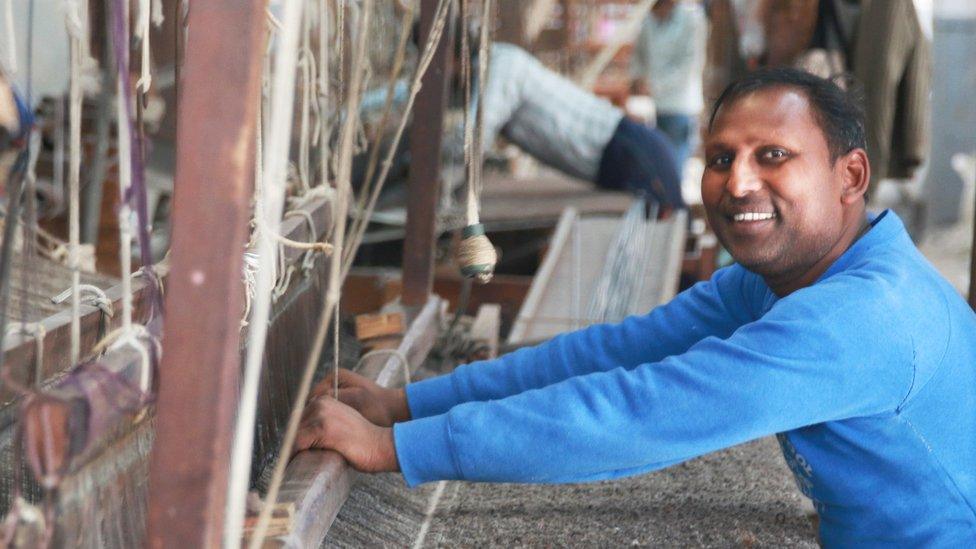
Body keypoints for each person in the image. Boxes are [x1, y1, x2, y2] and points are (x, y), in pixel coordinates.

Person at [295, 68, 976, 546]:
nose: (738, 182)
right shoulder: (785, 277)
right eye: (720, 157)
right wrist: (412, 404)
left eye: (773, 155)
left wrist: (394, 448)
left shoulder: (856, 318)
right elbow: (616, 352)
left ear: (849, 175)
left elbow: (637, 412)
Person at [477, 42, 685, 213]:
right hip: (616, 155)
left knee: (672, 219)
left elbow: (476, 136)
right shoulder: (498, 66)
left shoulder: (502, 65)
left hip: (625, 145)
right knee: (668, 220)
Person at [629, 0, 707, 176]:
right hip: (652, 104)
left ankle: (671, 201)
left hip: (680, 104)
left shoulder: (692, 18)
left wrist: (655, 85)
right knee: (657, 161)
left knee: (673, 164)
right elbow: (638, 55)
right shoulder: (648, 19)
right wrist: (638, 78)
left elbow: (690, 65)